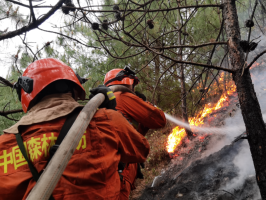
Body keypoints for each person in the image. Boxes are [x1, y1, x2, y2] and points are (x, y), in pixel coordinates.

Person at [0, 58, 150, 200]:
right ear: (74, 88)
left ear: (26, 93)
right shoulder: (105, 120)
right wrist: (113, 115)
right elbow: (141, 150)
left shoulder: (3, 145)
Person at [102, 67, 166, 200]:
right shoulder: (123, 96)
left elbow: (129, 130)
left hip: (111, 166)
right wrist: (145, 104)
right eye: (133, 85)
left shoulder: (106, 103)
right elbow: (159, 120)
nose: (134, 89)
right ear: (128, 83)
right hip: (122, 167)